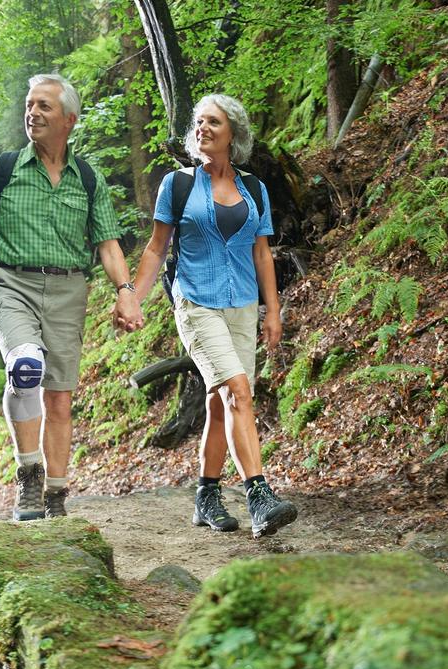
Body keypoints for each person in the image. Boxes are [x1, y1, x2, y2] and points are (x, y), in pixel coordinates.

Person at [0, 74, 142, 521]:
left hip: (68, 291)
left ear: (69, 120)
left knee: (59, 397)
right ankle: (28, 478)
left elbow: (108, 244)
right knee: (24, 368)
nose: (32, 113)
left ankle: (56, 496)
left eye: (44, 106)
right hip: (12, 285)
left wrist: (126, 292)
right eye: (29, 105)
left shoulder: (89, 179)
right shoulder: (2, 171)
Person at [117, 94, 298, 539]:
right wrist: (132, 298)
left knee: (223, 404)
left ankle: (206, 495)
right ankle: (260, 495)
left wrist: (272, 310)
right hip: (196, 303)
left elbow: (261, 252)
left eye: (213, 122)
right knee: (238, 392)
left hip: (242, 305)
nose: (202, 128)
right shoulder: (177, 185)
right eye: (198, 122)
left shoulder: (254, 187)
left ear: (232, 133)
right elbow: (157, 247)